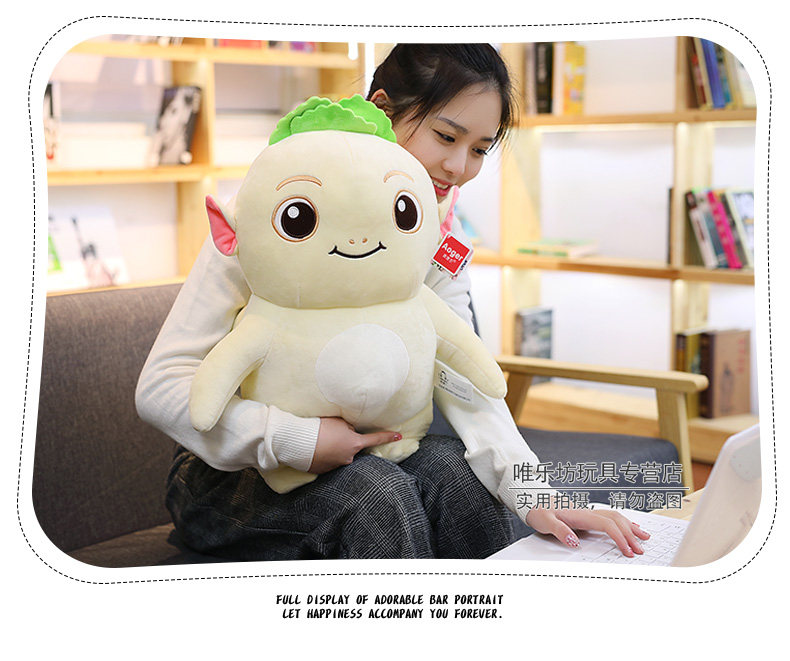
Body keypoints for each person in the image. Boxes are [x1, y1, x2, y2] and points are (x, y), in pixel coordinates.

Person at [136, 43, 650, 560]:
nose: (458, 167)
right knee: (377, 495)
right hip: (229, 476)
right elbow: (162, 386)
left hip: (375, 452)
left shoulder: (439, 234)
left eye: (479, 149)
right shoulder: (279, 212)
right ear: (382, 109)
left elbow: (462, 378)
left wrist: (536, 494)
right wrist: (293, 438)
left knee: (460, 479)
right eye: (446, 136)